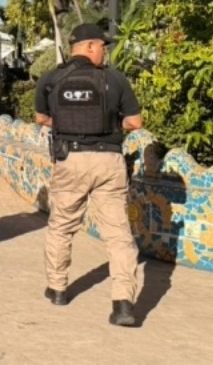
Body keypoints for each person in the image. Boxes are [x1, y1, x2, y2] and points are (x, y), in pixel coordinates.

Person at [34, 23, 143, 327]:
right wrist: (110, 125)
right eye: (103, 47)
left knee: (61, 226)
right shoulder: (114, 79)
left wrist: (67, 124)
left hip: (70, 160)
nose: (105, 52)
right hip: (109, 161)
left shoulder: (51, 79)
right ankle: (123, 303)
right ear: (90, 46)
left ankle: (57, 288)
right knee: (119, 234)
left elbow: (41, 117)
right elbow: (135, 122)